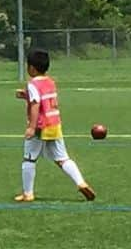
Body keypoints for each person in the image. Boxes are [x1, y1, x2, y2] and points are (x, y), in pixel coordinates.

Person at [14, 48, 95, 203]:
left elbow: (36, 104)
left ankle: (28, 193)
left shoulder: (32, 84)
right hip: (54, 124)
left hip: (40, 126)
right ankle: (81, 182)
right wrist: (26, 96)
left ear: (31, 68)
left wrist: (31, 127)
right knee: (62, 158)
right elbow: (44, 100)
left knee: (29, 159)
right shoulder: (50, 82)